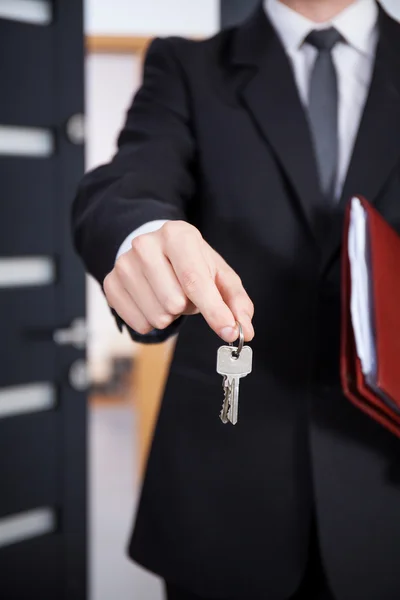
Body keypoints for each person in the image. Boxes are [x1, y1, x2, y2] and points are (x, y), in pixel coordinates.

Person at [72, 0, 400, 598]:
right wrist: (139, 234)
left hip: (389, 483)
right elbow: (131, 178)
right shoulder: (187, 65)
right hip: (223, 499)